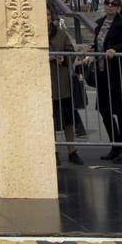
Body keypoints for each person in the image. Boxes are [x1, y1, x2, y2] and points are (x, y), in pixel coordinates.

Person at [91, 0, 122, 163]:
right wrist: (91, 51)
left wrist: (114, 50)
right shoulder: (100, 24)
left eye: (114, 4)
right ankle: (116, 144)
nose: (110, 6)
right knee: (105, 110)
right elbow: (98, 44)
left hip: (118, 72)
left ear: (119, 7)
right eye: (107, 3)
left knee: (121, 110)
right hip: (103, 72)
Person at [48, 14, 84, 165]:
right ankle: (53, 151)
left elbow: (71, 52)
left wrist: (64, 57)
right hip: (46, 82)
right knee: (50, 120)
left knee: (68, 119)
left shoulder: (61, 34)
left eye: (49, 14)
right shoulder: (35, 35)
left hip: (62, 82)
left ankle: (72, 150)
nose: (47, 17)